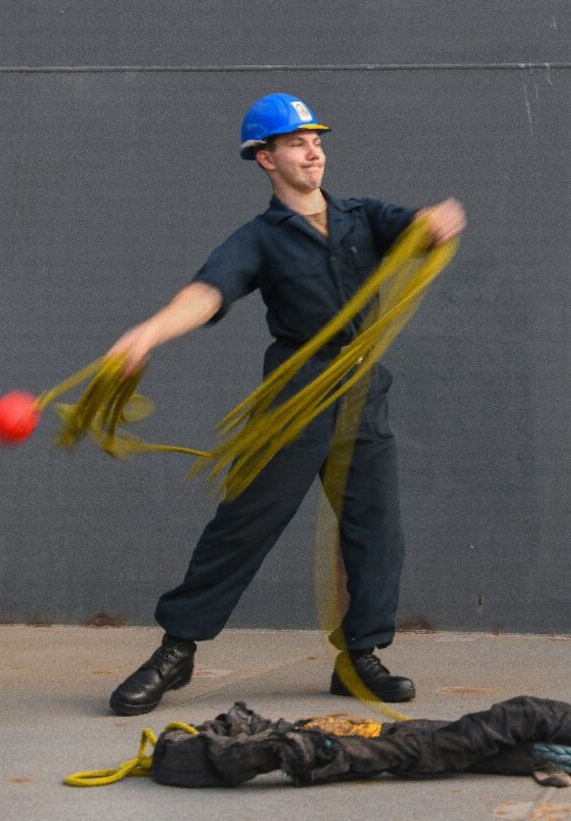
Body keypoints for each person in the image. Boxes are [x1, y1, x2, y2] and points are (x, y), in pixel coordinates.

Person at [104, 93, 466, 716]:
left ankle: (358, 657)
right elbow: (209, 290)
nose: (313, 150)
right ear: (265, 159)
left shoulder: (362, 216)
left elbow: (416, 226)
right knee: (245, 523)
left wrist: (435, 222)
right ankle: (177, 650)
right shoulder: (259, 239)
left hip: (362, 395)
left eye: (316, 140)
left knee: (378, 532)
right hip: (296, 399)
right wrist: (149, 333)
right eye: (297, 143)